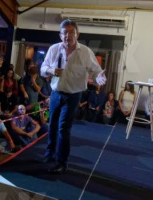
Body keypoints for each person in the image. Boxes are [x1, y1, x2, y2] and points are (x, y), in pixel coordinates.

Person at [40, 20, 106, 173]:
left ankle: (62, 162)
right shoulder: (54, 49)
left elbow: (96, 72)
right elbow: (43, 68)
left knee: (64, 128)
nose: (67, 36)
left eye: (71, 32)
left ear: (77, 34)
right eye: (64, 32)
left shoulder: (85, 52)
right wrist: (51, 70)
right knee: (52, 125)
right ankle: (49, 153)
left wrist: (99, 79)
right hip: (56, 93)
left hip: (74, 95)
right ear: (60, 35)